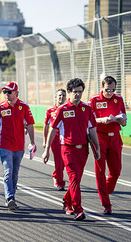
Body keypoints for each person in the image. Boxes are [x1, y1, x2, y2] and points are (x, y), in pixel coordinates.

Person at [43, 78, 101, 221]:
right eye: (75, 92)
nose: (78, 95)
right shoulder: (62, 110)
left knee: (76, 180)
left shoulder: (86, 109)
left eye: (80, 92)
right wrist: (46, 150)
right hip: (67, 149)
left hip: (83, 150)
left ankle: (67, 201)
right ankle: (78, 209)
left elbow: (92, 130)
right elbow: (53, 129)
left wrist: (97, 148)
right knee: (74, 178)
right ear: (69, 92)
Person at [0, 82, 36, 211]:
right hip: (5, 145)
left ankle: (12, 196)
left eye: (9, 92)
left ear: (16, 93)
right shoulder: (0, 108)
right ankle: (9, 198)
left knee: (15, 174)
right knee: (8, 172)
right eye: (5, 92)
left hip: (19, 147)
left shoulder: (24, 107)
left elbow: (30, 125)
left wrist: (32, 142)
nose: (6, 95)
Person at [90, 76, 128, 215]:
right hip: (99, 137)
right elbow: (89, 119)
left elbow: (124, 118)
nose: (110, 92)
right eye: (107, 90)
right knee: (100, 171)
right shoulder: (94, 100)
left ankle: (105, 191)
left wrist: (123, 121)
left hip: (115, 137)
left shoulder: (119, 99)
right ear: (102, 87)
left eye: (113, 89)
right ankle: (106, 204)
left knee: (116, 171)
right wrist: (101, 120)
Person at [43, 89, 67, 191]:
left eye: (63, 96)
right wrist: (45, 141)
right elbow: (46, 126)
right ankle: (60, 182)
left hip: (65, 139)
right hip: (54, 139)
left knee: (65, 161)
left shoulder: (67, 109)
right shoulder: (50, 111)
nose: (61, 97)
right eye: (60, 95)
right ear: (56, 97)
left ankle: (55, 175)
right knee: (59, 160)